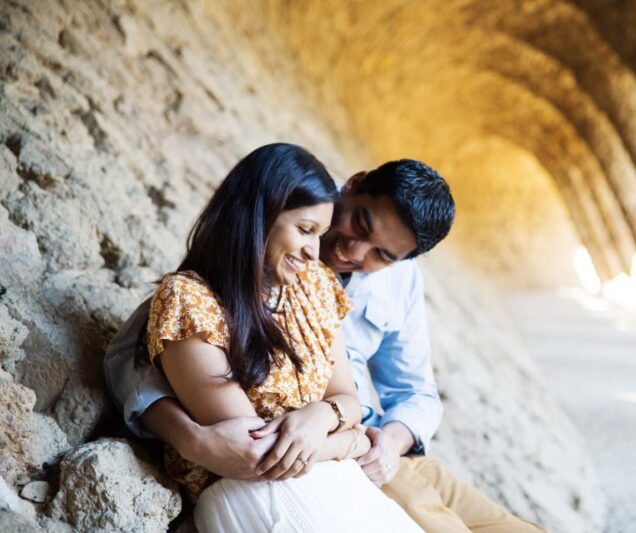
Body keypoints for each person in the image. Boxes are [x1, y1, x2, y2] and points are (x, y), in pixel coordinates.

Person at [106, 151, 545, 532]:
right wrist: (189, 437)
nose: (352, 251)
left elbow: (415, 393)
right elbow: (137, 355)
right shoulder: (287, 204)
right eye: (358, 222)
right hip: (323, 461)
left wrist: (386, 443)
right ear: (352, 187)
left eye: (382, 255)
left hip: (377, 448)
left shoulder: (391, 279)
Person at [128, 142, 423, 531]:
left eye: (319, 233)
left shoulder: (315, 284)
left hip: (338, 477)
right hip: (258, 492)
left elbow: (350, 399)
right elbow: (258, 453)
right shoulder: (190, 300)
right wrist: (352, 443)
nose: (315, 252)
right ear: (259, 215)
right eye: (305, 230)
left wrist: (321, 415)